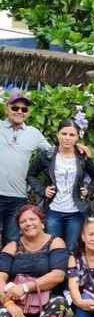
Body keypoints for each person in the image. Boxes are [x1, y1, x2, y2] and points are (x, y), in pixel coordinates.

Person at [0, 204, 68, 317]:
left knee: (60, 303)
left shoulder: (55, 242)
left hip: (43, 303)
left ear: (42, 222)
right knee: (1, 312)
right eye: (23, 221)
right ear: (18, 226)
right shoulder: (12, 246)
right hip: (16, 304)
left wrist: (25, 287)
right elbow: (0, 278)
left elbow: (58, 275)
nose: (28, 224)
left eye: (32, 219)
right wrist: (9, 304)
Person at [27, 119, 94, 253]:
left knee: (71, 250)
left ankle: (69, 274)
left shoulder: (82, 157)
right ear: (58, 134)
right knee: (53, 248)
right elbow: (31, 175)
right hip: (53, 211)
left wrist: (89, 190)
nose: (67, 138)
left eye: (72, 135)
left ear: (77, 137)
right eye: (64, 134)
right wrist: (42, 190)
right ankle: (56, 274)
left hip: (76, 212)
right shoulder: (48, 156)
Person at [0, 90, 52, 245]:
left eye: (24, 109)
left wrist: (77, 148)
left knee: (11, 241)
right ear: (6, 108)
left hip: (17, 198)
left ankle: (5, 270)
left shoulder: (34, 133)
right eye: (15, 108)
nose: (20, 112)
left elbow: (54, 154)